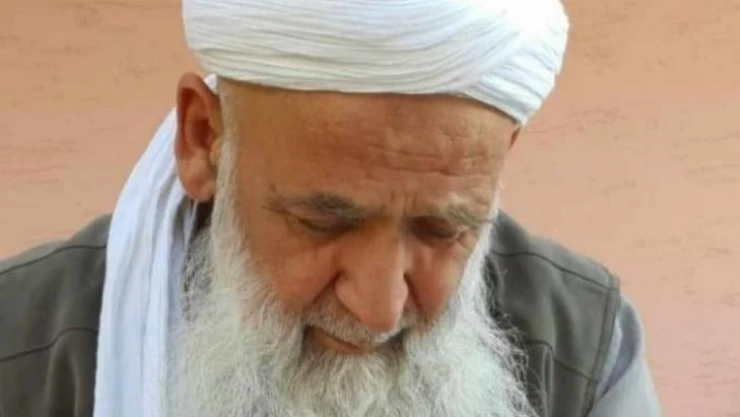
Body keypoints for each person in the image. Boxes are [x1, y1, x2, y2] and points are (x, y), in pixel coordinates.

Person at [0, 1, 662, 416]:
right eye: (324, 221)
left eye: (443, 229)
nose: (378, 309)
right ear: (204, 141)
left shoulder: (582, 348)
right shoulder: (22, 350)